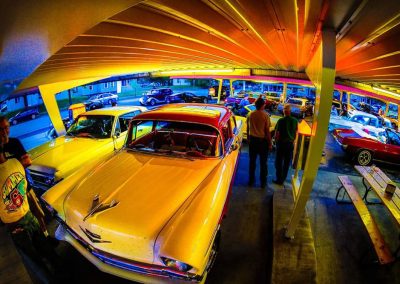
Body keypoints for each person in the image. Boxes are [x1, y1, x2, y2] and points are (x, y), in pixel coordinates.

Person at [0, 141, 64, 282]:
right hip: (27, 215)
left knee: (35, 262)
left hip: (15, 224)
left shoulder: (12, 165)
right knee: (47, 250)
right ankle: (63, 274)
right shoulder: (16, 163)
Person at [0, 116, 48, 236]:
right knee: (22, 223)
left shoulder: (14, 143)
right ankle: (32, 240)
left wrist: (10, 169)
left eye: (6, 127)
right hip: (10, 196)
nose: (4, 132)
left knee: (38, 213)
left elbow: (28, 161)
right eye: (1, 129)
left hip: (25, 187)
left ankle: (46, 235)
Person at [246, 98, 272, 188]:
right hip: (262, 142)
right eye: (264, 104)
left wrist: (249, 139)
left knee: (252, 162)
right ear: (262, 105)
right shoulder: (265, 115)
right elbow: (267, 131)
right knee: (263, 163)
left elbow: (248, 128)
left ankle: (251, 181)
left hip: (253, 141)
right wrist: (270, 143)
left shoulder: (250, 114)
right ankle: (263, 183)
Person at [273, 104, 298, 185]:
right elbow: (296, 132)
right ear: (290, 112)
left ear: (284, 111)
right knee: (286, 163)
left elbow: (277, 134)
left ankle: (279, 179)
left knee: (278, 162)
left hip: (281, 144)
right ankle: (282, 179)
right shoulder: (295, 121)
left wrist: (276, 142)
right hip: (290, 144)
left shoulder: (281, 120)